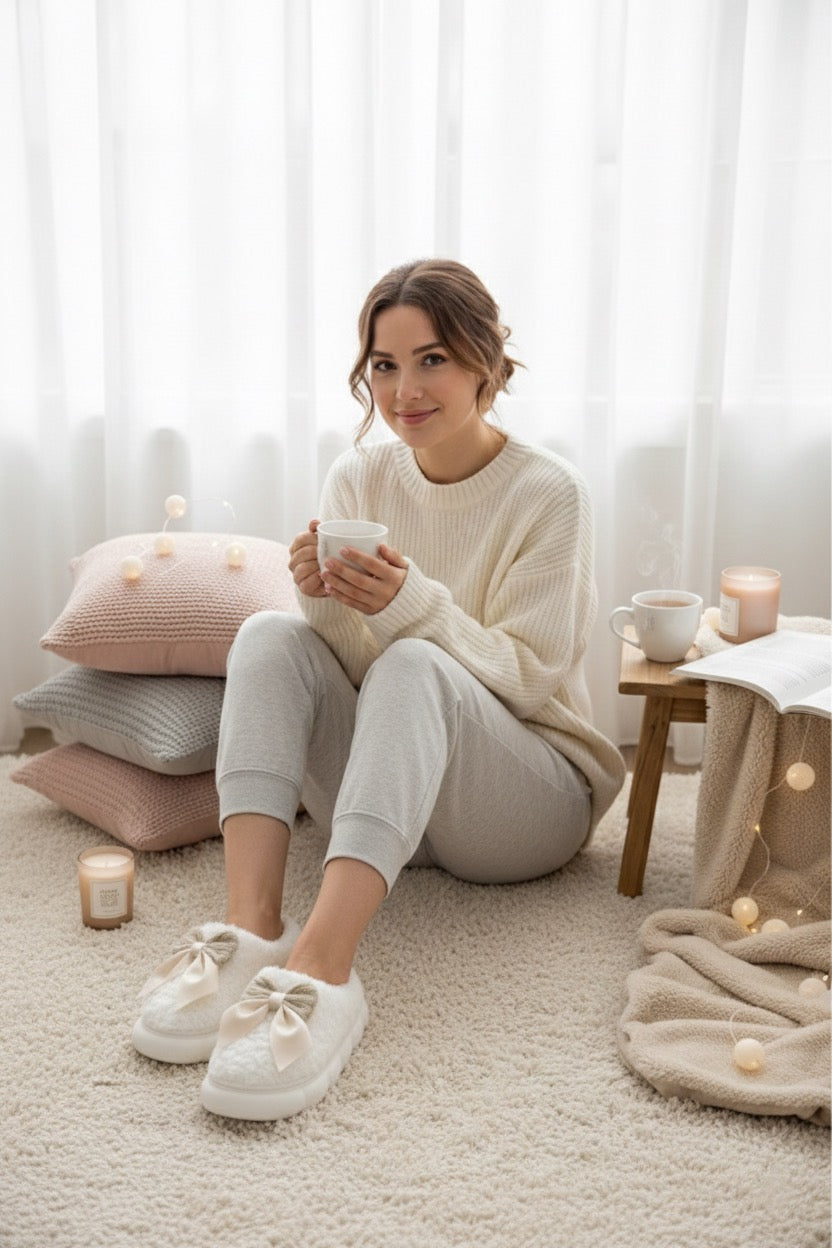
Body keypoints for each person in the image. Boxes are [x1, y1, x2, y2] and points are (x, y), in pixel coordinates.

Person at [132, 258, 626, 1121]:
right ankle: (252, 926)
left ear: (486, 362)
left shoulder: (552, 495)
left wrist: (410, 603)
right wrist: (322, 602)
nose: (406, 390)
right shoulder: (359, 476)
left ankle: (324, 966)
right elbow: (349, 673)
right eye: (386, 366)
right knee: (269, 635)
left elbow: (527, 674)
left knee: (416, 660)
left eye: (432, 359)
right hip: (398, 795)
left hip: (525, 804)